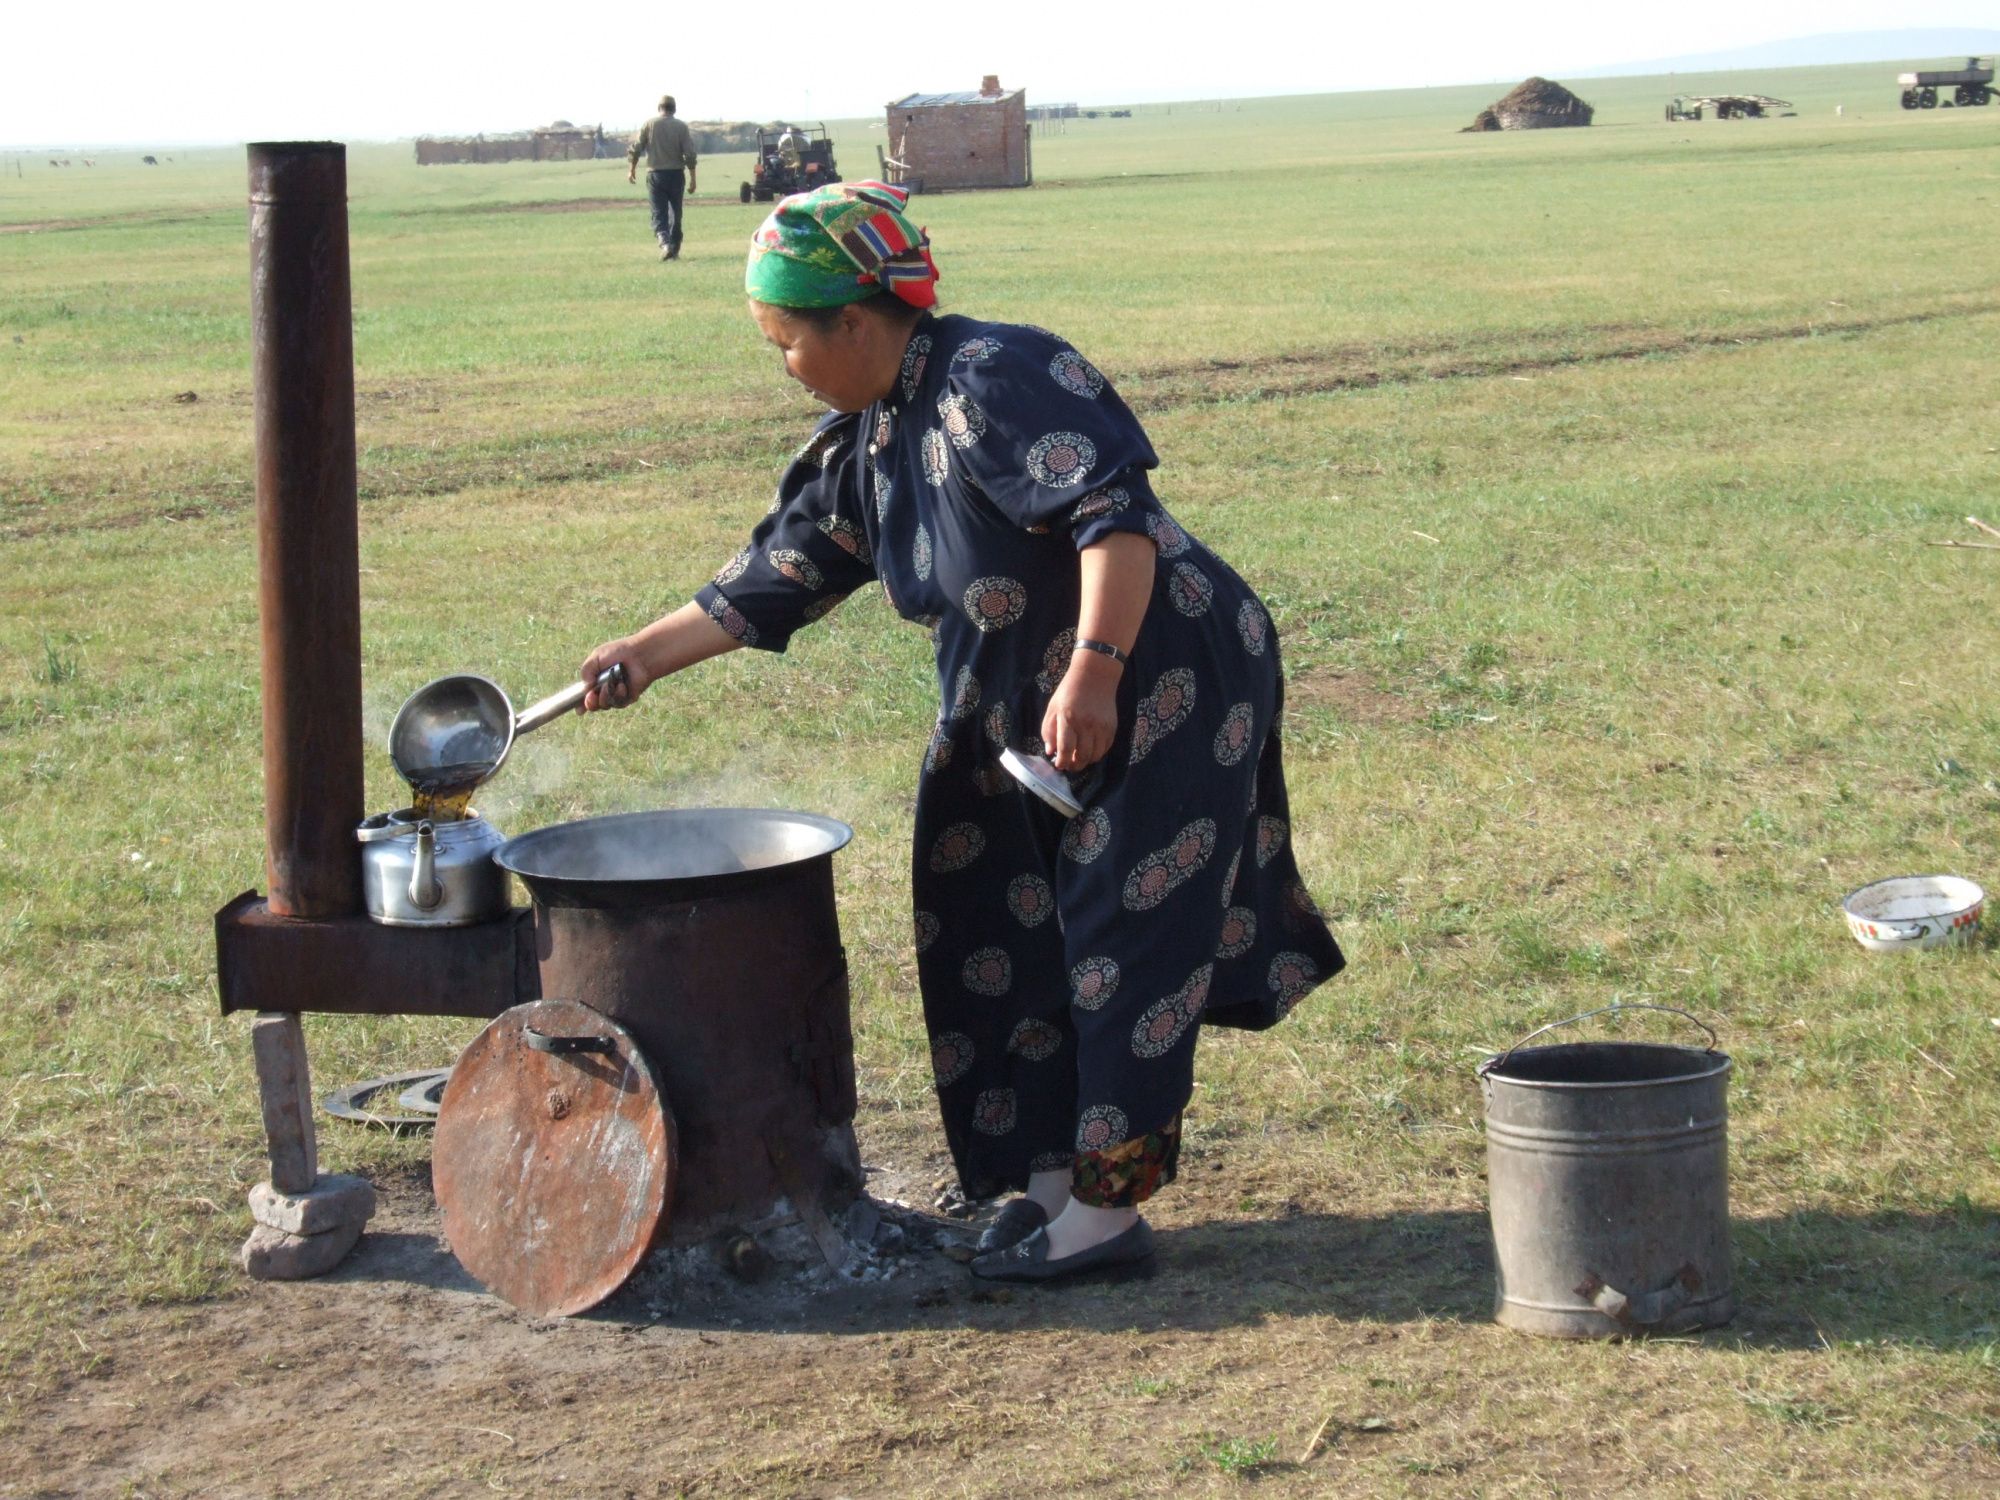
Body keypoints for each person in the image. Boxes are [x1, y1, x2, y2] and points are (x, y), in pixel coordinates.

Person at [578, 181, 1343, 1284]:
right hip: (1010, 703)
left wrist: (1094, 674)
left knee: (1118, 926)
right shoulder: (874, 435)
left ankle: (1104, 1209)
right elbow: (777, 575)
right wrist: (638, 656)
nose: (780, 363)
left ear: (851, 319)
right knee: (988, 905)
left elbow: (1112, 521)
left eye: (785, 341)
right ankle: (1037, 1174)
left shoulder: (997, 376)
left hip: (1161, 671)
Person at [626, 94, 698, 260]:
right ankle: (674, 248)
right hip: (676, 175)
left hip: (655, 174)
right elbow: (690, 154)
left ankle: (665, 244)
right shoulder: (681, 127)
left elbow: (636, 148)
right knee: (675, 212)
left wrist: (632, 169)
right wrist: (693, 178)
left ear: (659, 108)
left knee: (658, 211)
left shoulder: (649, 124)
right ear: (674, 109)